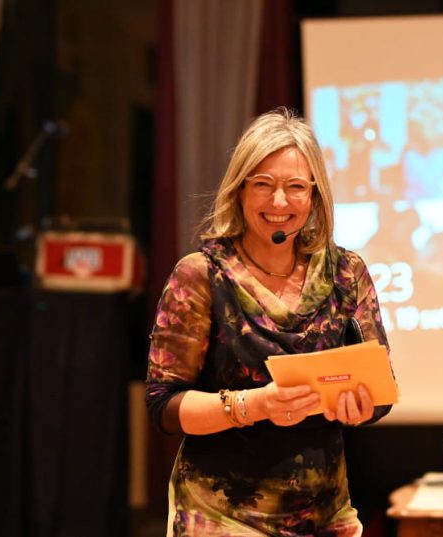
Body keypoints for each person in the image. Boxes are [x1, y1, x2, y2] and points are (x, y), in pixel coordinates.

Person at [146, 107, 394, 536]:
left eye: (295, 187)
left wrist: (360, 407)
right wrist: (254, 405)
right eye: (263, 184)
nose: (279, 202)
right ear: (239, 190)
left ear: (314, 196)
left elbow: (381, 389)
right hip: (221, 515)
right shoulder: (202, 275)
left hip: (325, 513)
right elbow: (163, 407)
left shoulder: (346, 273)